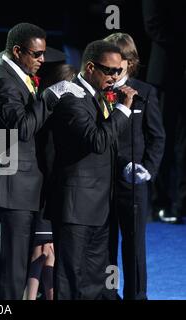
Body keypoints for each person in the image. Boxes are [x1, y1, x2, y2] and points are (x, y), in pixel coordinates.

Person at [0, 22, 85, 300]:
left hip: (20, 188)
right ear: (16, 51)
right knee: (10, 272)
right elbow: (22, 128)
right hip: (11, 187)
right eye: (36, 55)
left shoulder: (15, 77)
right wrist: (51, 96)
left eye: (43, 54)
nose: (41, 61)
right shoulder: (2, 80)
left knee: (16, 269)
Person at [47, 40, 137, 300]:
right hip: (75, 207)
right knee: (70, 278)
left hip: (99, 206)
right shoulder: (71, 96)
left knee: (95, 280)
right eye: (109, 71)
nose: (115, 77)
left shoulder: (97, 95)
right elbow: (97, 141)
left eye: (118, 71)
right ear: (89, 67)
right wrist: (122, 109)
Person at [104, 33, 165, 300]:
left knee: (133, 245)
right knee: (104, 245)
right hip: (100, 182)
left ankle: (136, 296)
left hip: (133, 184)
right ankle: (107, 294)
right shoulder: (96, 90)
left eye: (119, 61)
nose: (113, 68)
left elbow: (157, 136)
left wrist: (147, 169)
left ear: (130, 62)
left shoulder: (146, 92)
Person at [26, 63, 77, 301]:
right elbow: (47, 160)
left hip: (45, 192)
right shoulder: (49, 119)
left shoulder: (43, 113)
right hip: (44, 192)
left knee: (47, 251)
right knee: (43, 249)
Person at [143, 0, 186, 223]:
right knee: (162, 138)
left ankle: (181, 202)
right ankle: (160, 202)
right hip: (166, 74)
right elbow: (154, 26)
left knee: (183, 143)